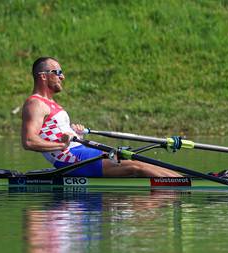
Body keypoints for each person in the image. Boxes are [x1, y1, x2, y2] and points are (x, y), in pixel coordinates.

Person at [21, 57, 180, 177]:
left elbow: (57, 132)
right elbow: (29, 141)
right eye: (58, 72)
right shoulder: (35, 104)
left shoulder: (51, 103)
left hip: (80, 151)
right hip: (69, 158)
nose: (62, 77)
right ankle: (186, 186)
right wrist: (60, 145)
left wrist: (76, 133)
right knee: (135, 165)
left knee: (138, 160)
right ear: (43, 76)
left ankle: (184, 179)